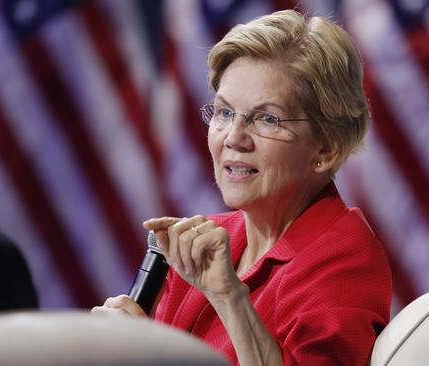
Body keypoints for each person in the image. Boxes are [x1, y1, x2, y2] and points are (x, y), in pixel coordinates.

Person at [92, 9, 392, 365]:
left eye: (267, 118)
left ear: (326, 149)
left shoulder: (344, 260)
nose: (234, 138)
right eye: (223, 112)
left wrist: (230, 297)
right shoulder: (204, 243)